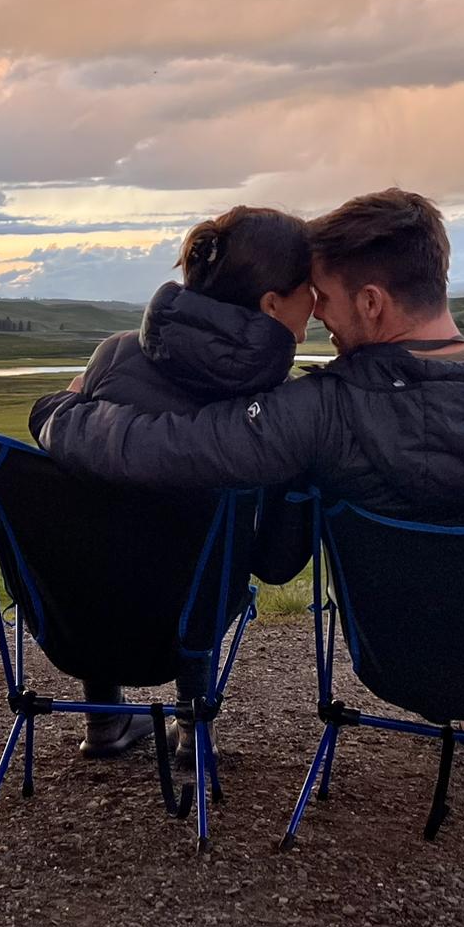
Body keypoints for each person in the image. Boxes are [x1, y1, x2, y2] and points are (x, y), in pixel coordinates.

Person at [32, 189, 464, 723]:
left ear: (371, 303)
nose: (316, 315)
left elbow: (176, 450)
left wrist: (61, 414)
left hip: (390, 665)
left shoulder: (322, 410)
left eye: (323, 298)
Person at [65, 204, 314, 762]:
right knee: (205, 567)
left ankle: (103, 722)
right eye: (310, 291)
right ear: (273, 305)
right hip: (187, 627)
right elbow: (275, 563)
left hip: (81, 615)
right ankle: (193, 725)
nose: (317, 307)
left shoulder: (112, 356)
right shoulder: (276, 406)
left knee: (108, 527)